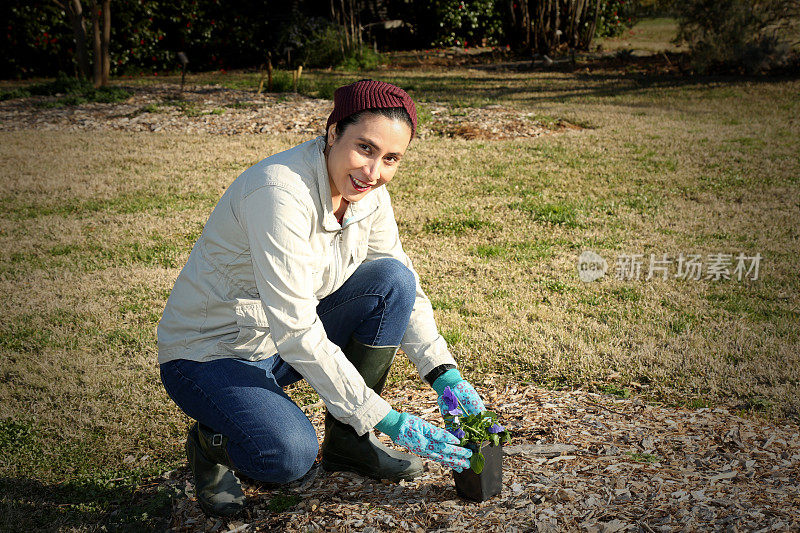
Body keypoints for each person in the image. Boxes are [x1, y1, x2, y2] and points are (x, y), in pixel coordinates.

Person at [157, 80, 488, 517]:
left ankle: (349, 443)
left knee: (393, 281)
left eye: (390, 159)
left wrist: (445, 376)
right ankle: (209, 444)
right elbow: (296, 327)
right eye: (365, 148)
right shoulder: (277, 193)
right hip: (212, 355)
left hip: (279, 342)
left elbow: (400, 280)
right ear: (333, 133)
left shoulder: (369, 195)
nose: (373, 172)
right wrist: (387, 420)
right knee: (287, 457)